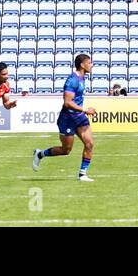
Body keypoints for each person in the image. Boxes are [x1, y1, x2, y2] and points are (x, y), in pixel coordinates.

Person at [33, 54, 97, 182]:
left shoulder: (82, 78)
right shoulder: (72, 80)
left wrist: (83, 111)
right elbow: (67, 102)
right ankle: (40, 154)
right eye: (89, 63)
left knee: (89, 144)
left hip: (79, 117)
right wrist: (85, 110)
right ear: (82, 65)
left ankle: (82, 174)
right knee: (66, 150)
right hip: (67, 118)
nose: (91, 65)